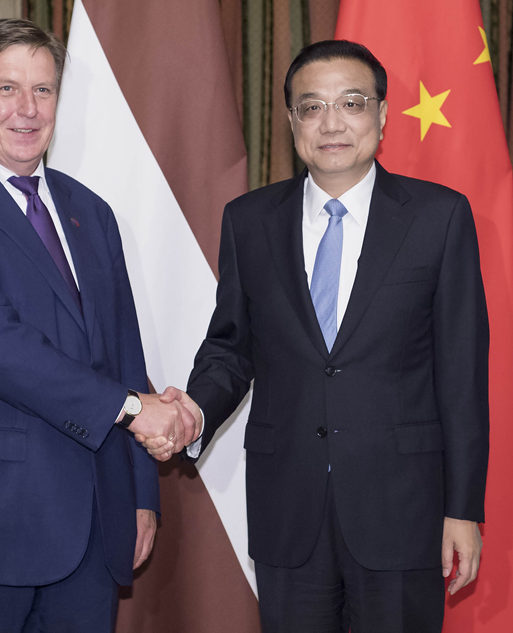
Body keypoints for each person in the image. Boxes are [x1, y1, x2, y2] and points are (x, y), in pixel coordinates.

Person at [144, 40, 490, 632]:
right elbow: (231, 348)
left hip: (402, 509)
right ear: (292, 121)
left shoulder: (439, 216)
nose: (332, 123)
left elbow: (462, 375)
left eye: (351, 103)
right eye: (312, 107)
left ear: (382, 114)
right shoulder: (249, 220)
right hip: (289, 509)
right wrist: (194, 411)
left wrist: (462, 509)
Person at [0, 18, 199, 633]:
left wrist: (140, 493)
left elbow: (123, 353)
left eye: (43, 90)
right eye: (7, 88)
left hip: (92, 529)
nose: (27, 109)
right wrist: (136, 411)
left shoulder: (91, 212)